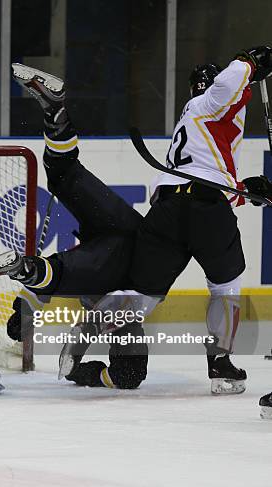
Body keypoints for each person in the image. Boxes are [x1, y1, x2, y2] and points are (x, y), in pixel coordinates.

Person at [0, 63, 148, 390]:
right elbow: (104, 339)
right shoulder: (108, 297)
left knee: (64, 173)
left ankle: (56, 111)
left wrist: (25, 315)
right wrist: (79, 368)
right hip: (122, 261)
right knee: (58, 274)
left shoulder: (99, 283)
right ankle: (22, 267)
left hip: (125, 224)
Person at [108, 46, 272, 394]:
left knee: (145, 294)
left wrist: (245, 190)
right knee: (225, 286)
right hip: (206, 210)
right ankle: (220, 365)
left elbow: (201, 174)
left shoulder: (191, 118)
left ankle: (96, 320)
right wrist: (250, 61)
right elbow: (228, 85)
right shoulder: (210, 102)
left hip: (167, 209)